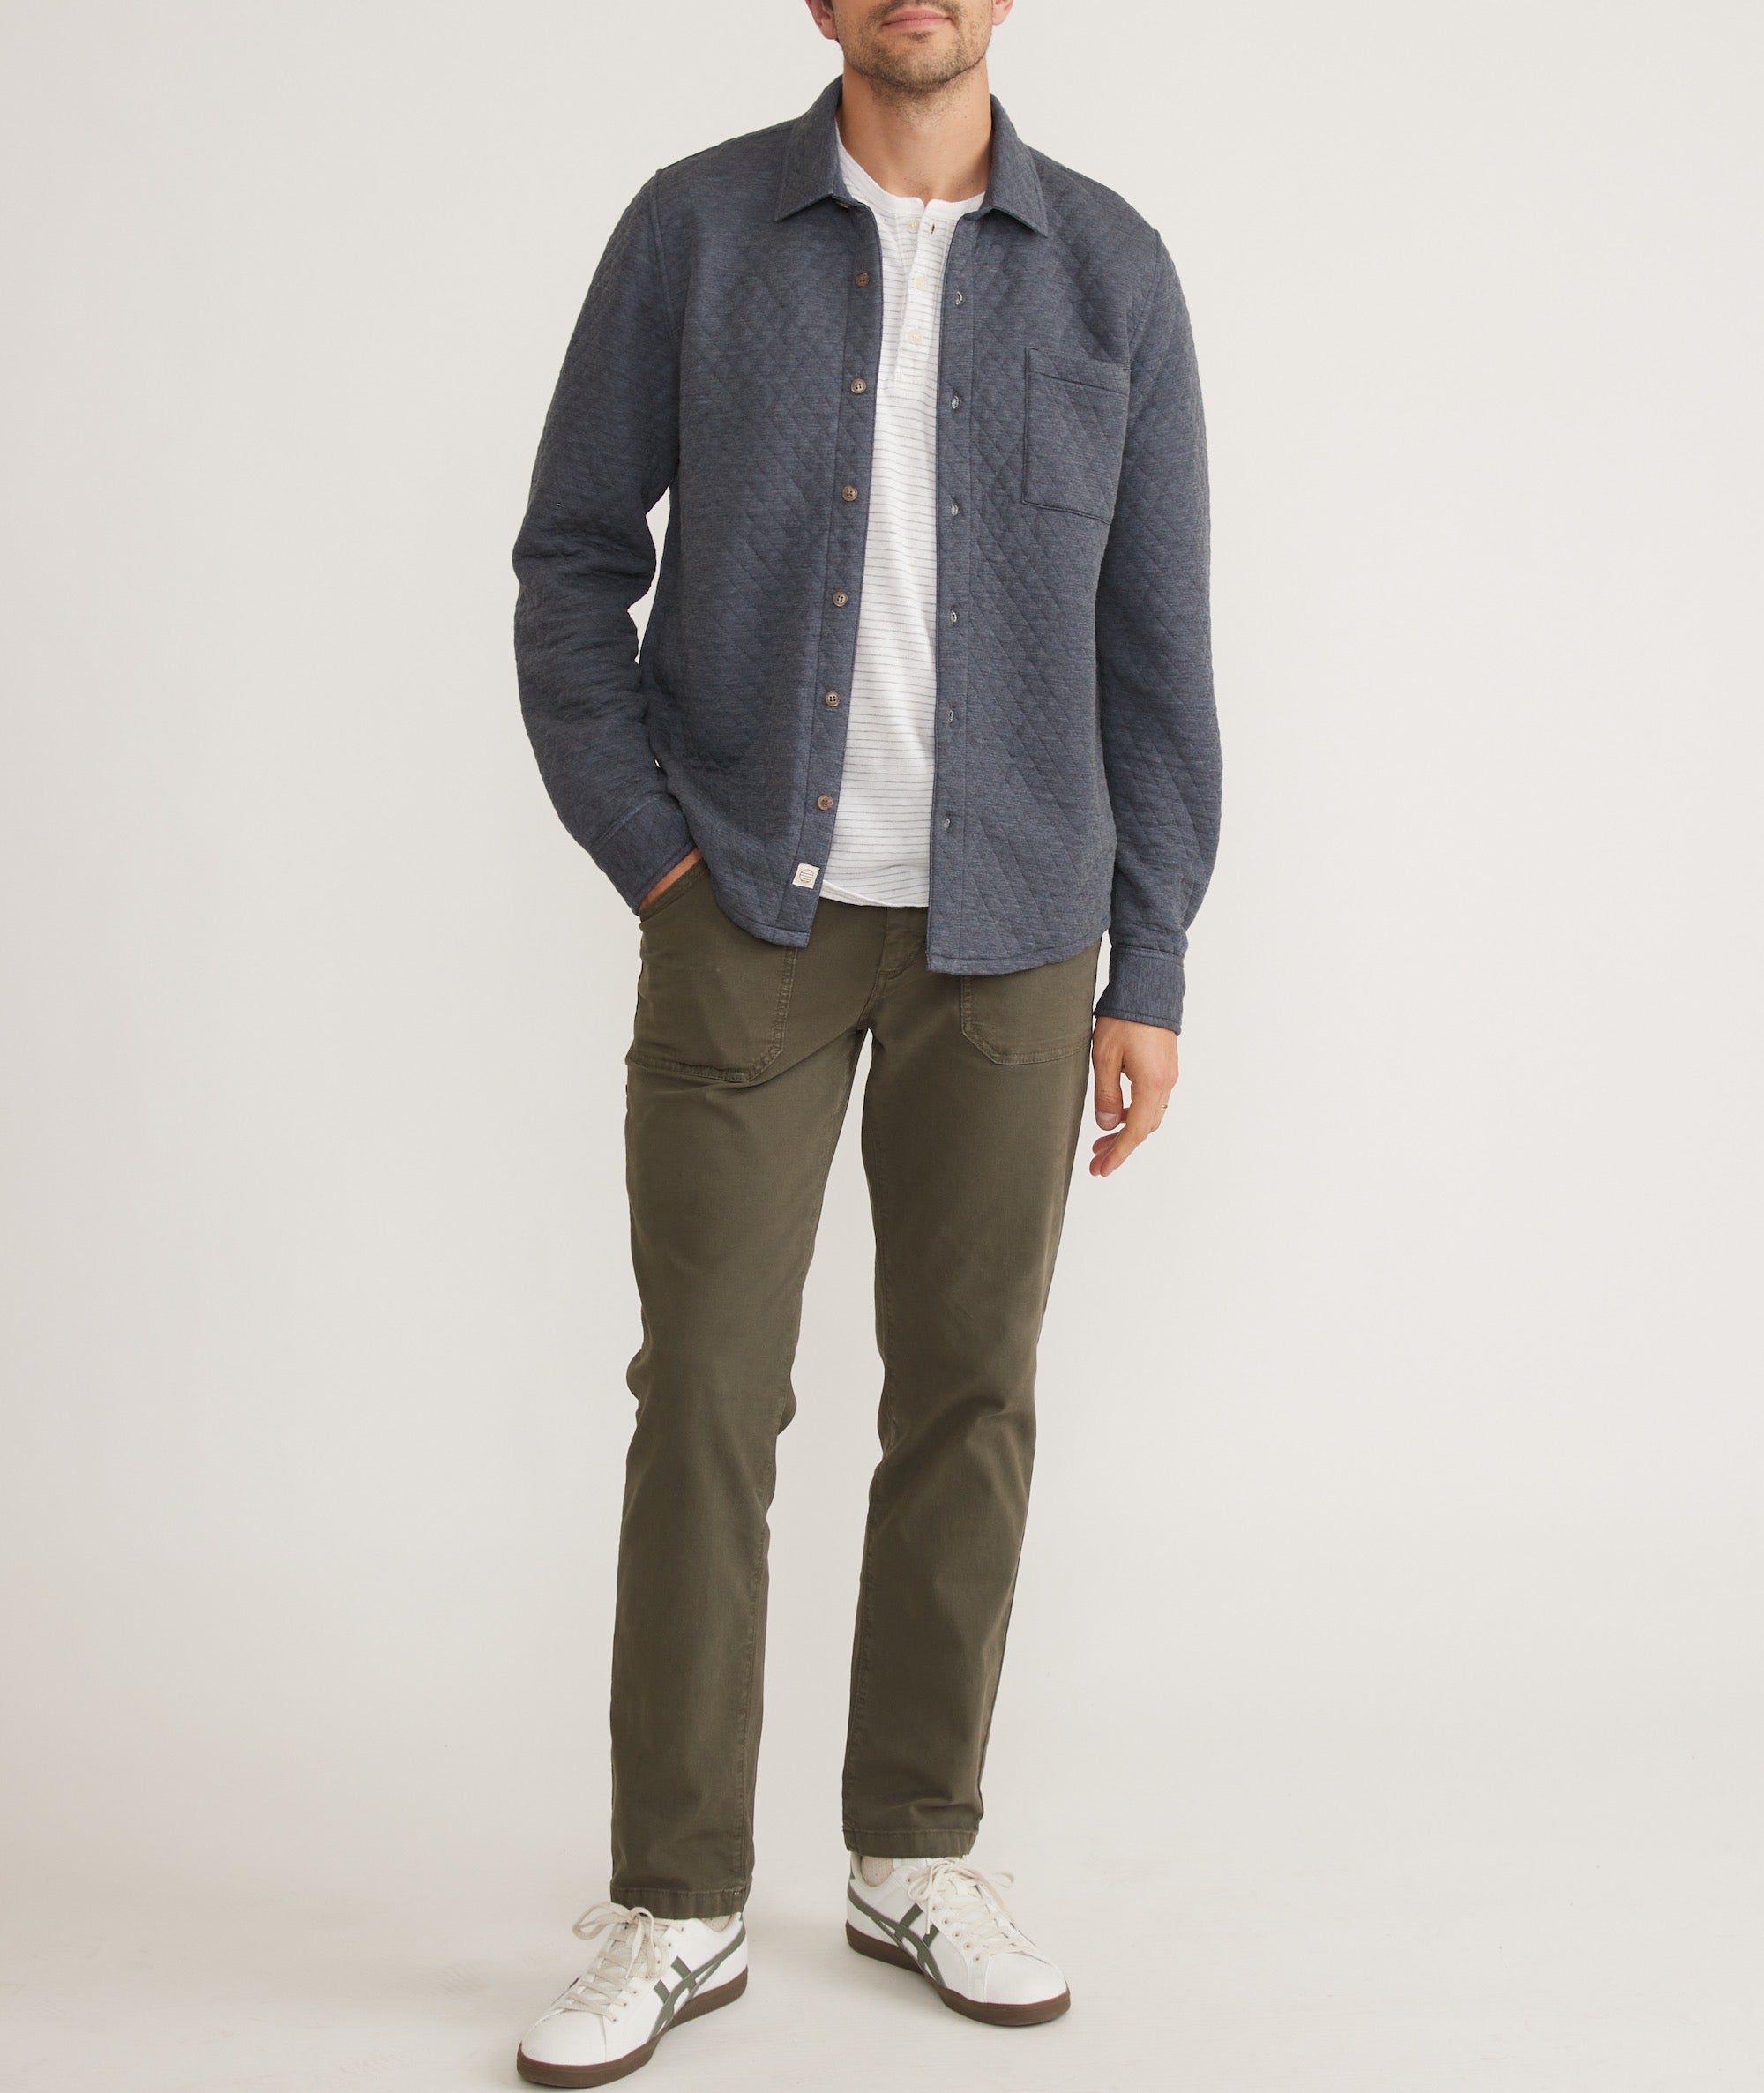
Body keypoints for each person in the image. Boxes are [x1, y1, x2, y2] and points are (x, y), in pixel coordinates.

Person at [509, 0, 1221, 2079]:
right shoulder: (694, 232)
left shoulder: (1110, 270)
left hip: (1017, 933)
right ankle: (676, 1894)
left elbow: (1157, 643)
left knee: (972, 1392)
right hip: (742, 908)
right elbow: (570, 567)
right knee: (708, 1393)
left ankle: (915, 1845)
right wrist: (655, 856)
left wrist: (1151, 961)